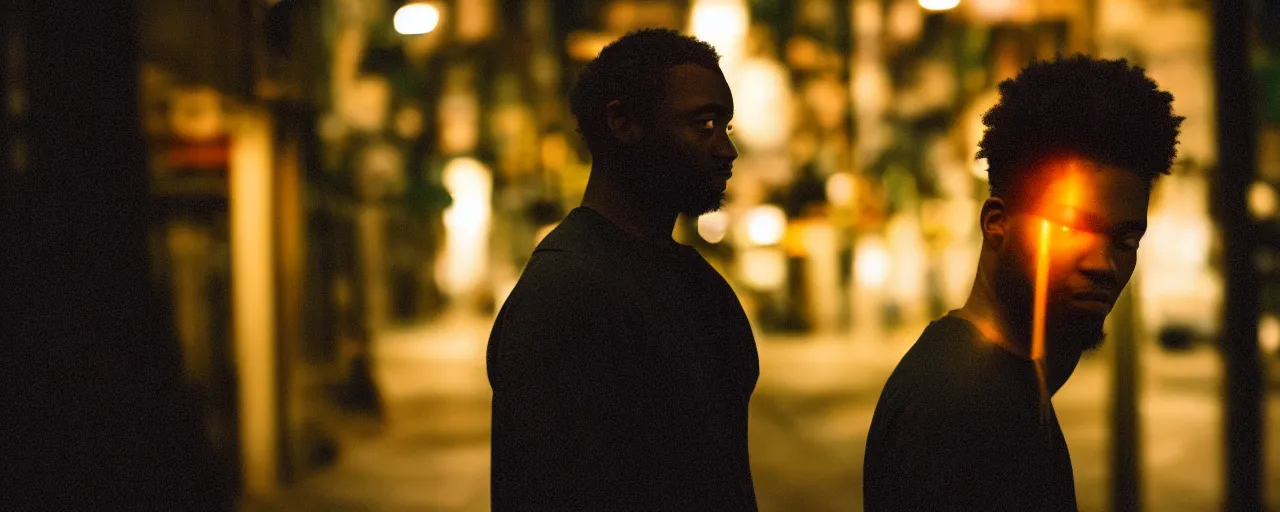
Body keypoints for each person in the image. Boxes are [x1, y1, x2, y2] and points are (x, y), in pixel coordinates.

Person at [863, 55, 1183, 511]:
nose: (1105, 263)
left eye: (1126, 238)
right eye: (1073, 228)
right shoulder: (966, 411)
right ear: (997, 223)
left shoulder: (1000, 384)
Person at [487, 29, 758, 510]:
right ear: (623, 123)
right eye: (703, 125)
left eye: (726, 127)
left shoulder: (699, 285)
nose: (725, 150)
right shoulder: (565, 294)